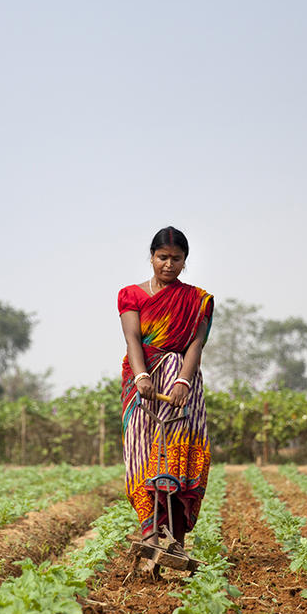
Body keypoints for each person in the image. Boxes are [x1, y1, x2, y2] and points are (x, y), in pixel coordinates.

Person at [118, 226, 214, 564]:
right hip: (142, 386)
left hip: (182, 391)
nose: (168, 265)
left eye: (176, 259)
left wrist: (183, 382)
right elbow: (133, 340)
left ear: (185, 262)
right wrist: (142, 375)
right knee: (142, 454)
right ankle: (149, 533)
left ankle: (176, 540)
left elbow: (195, 345)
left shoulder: (198, 300)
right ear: (151, 258)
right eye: (163, 257)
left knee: (179, 457)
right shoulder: (131, 295)